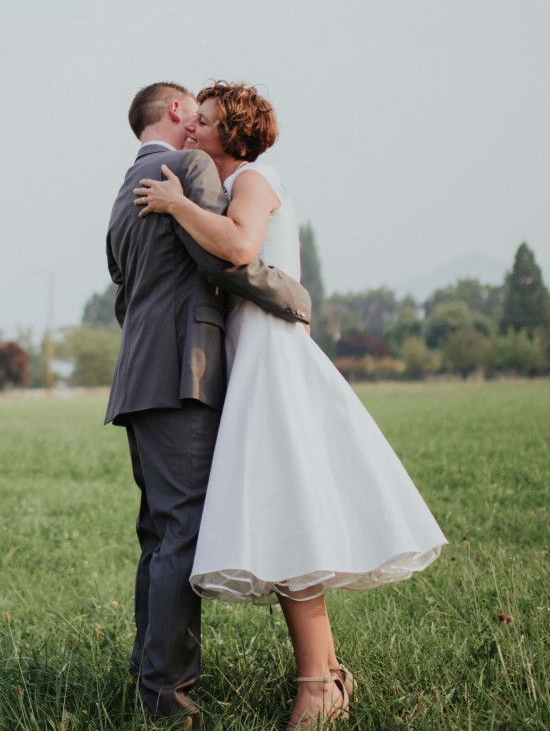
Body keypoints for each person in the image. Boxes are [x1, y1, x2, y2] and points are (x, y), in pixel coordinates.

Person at [135, 81, 447, 729]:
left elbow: (241, 249)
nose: (194, 129)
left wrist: (172, 203)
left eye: (208, 121)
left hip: (271, 357)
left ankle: (318, 684)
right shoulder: (223, 184)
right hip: (251, 354)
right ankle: (323, 675)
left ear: (233, 133)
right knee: (284, 511)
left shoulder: (254, 176)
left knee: (288, 510)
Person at [105, 82, 313, 726]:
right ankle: (166, 697)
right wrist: (294, 298)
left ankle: (147, 672)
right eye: (193, 113)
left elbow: (125, 279)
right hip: (183, 374)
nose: (198, 125)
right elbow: (223, 260)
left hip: (138, 377)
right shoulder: (187, 169)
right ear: (175, 112)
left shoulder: (123, 188)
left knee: (157, 535)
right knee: (182, 533)